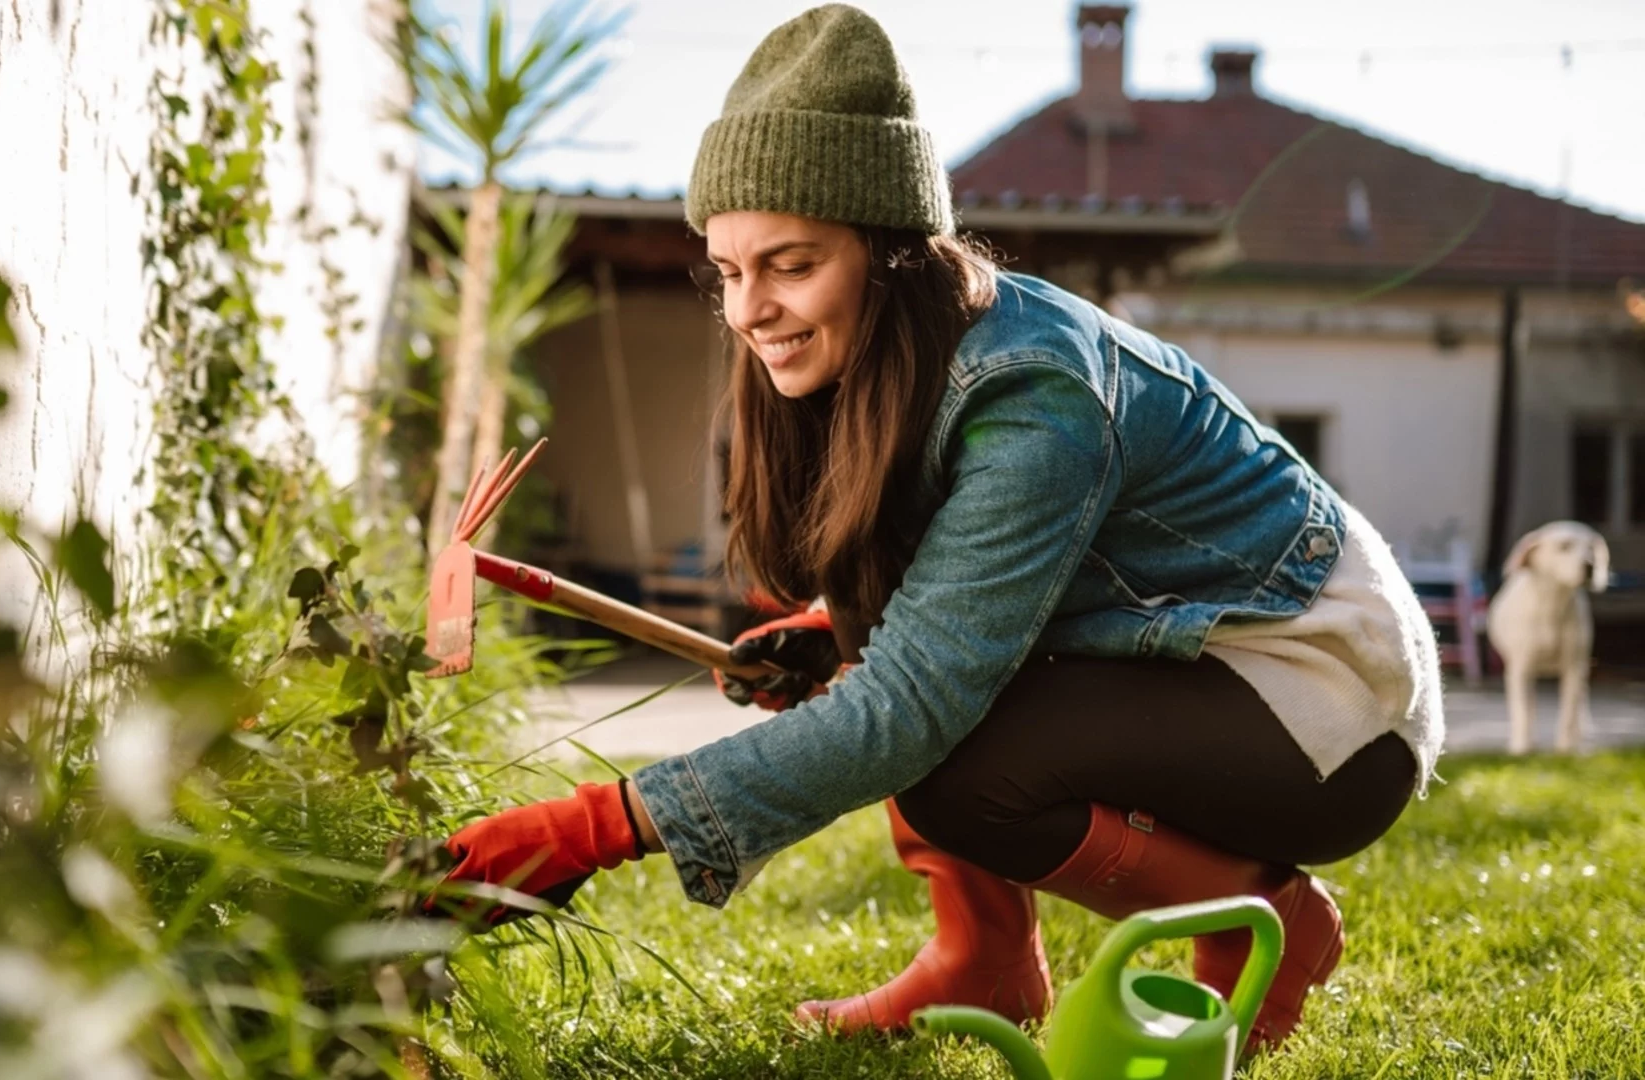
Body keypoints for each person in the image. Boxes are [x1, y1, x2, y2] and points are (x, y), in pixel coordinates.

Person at [425, 3, 1445, 1054]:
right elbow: (937, 603)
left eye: (789, 264)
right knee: (881, 635)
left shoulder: (1033, 393)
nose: (748, 309)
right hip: (1193, 658)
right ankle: (986, 963)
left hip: (1324, 698)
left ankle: (1260, 914)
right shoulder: (890, 362)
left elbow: (912, 705)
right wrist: (831, 625)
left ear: (890, 251)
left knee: (953, 764)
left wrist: (587, 829)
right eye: (728, 271)